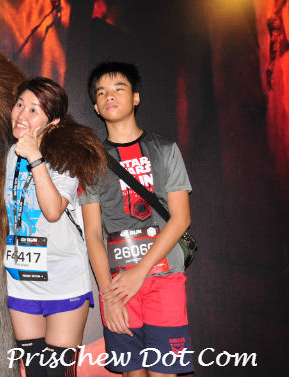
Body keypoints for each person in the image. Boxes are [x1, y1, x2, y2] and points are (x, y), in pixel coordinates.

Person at [80, 62, 194, 377]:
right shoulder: (90, 162)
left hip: (164, 278)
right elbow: (93, 233)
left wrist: (140, 272)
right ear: (95, 107)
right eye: (101, 92)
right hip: (117, 287)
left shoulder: (165, 150)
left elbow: (181, 218)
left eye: (119, 88)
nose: (109, 96)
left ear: (136, 98)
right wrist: (108, 296)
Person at [4, 77, 107, 377]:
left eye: (33, 110)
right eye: (19, 105)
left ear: (53, 121)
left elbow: (52, 211)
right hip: (21, 280)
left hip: (63, 280)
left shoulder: (67, 155)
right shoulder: (11, 154)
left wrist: (36, 159)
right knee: (35, 372)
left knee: (58, 374)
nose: (21, 114)